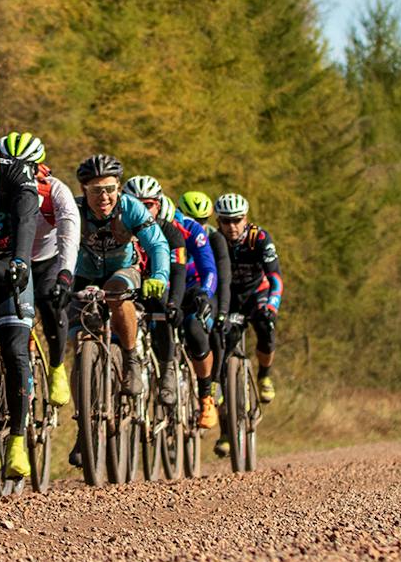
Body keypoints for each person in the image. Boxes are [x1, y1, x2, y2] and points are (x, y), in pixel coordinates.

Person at [70, 155, 169, 413]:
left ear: (119, 188)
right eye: (96, 190)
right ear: (84, 190)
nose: (104, 197)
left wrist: (159, 276)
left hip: (123, 269)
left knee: (116, 294)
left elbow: (157, 244)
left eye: (110, 189)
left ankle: (130, 359)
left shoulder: (131, 208)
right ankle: (83, 422)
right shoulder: (74, 210)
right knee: (77, 339)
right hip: (85, 274)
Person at [0, 126, 43, 480]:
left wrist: (20, 260)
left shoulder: (13, 172)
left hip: (11, 263)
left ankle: (17, 439)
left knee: (15, 349)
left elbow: (27, 218)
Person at [211, 191, 283, 456]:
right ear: (218, 221)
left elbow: (275, 276)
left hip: (257, 294)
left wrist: (271, 306)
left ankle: (265, 375)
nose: (232, 226)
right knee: (221, 351)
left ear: (246, 219)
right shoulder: (213, 238)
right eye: (226, 221)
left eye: (237, 220)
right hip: (229, 298)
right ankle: (225, 432)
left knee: (265, 326)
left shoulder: (259, 238)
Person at [121, 175, 199, 410]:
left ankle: (167, 369)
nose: (141, 210)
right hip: (127, 286)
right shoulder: (117, 227)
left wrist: (174, 304)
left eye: (148, 205)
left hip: (157, 288)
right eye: (134, 203)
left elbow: (178, 272)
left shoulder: (171, 232)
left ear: (158, 204)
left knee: (163, 310)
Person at [23, 141, 81, 408]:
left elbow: (69, 234)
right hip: (13, 260)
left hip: (48, 262)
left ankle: (56, 367)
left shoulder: (55, 190)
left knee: (52, 306)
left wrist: (66, 274)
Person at [172, 190, 222, 430]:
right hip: (165, 290)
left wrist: (205, 293)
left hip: (193, 289)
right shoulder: (143, 224)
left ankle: (206, 397)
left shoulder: (192, 229)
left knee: (194, 328)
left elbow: (210, 270)